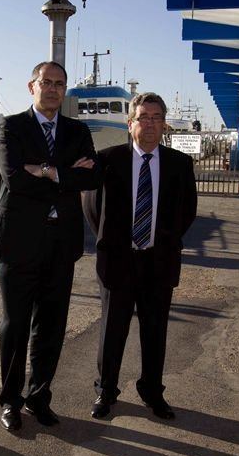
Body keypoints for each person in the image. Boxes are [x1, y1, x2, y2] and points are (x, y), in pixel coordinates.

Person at [0, 61, 99, 431]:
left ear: (64, 90)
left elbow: (93, 177)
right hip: (19, 244)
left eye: (59, 84)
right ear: (31, 86)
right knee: (15, 326)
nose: (52, 89)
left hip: (61, 245)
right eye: (46, 82)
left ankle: (39, 397)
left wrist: (47, 170)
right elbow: (15, 179)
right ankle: (10, 401)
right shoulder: (11, 126)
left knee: (51, 327)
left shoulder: (77, 130)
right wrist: (66, 175)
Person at [82, 92, 197, 421]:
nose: (150, 124)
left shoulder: (179, 164)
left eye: (156, 117)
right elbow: (92, 207)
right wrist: (114, 242)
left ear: (164, 124)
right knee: (112, 330)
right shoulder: (108, 160)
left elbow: (187, 211)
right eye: (143, 117)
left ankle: (152, 391)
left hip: (158, 261)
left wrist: (161, 241)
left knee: (155, 330)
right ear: (129, 123)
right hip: (118, 260)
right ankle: (106, 390)